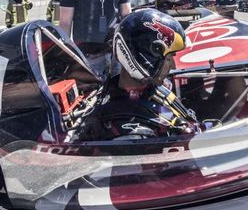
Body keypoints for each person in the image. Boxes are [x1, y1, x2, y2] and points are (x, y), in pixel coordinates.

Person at [80, 9, 206, 140]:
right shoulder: (133, 135)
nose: (173, 66)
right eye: (169, 59)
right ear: (144, 60)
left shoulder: (154, 91)